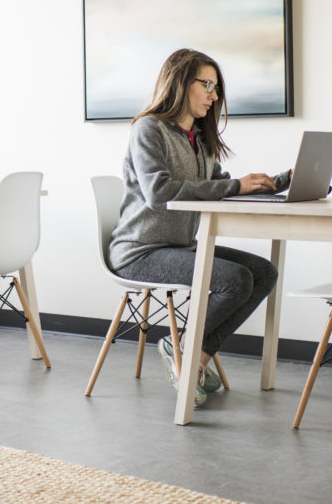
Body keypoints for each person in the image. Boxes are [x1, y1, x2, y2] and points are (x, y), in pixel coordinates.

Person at [108, 48, 291, 406]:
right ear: (179, 83)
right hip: (139, 251)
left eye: (217, 87)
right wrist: (236, 185)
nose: (214, 94)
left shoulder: (201, 141)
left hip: (179, 246)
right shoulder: (149, 129)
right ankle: (183, 352)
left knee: (263, 272)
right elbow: (159, 193)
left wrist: (277, 183)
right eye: (206, 84)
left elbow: (218, 188)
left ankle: (192, 359)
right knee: (234, 280)